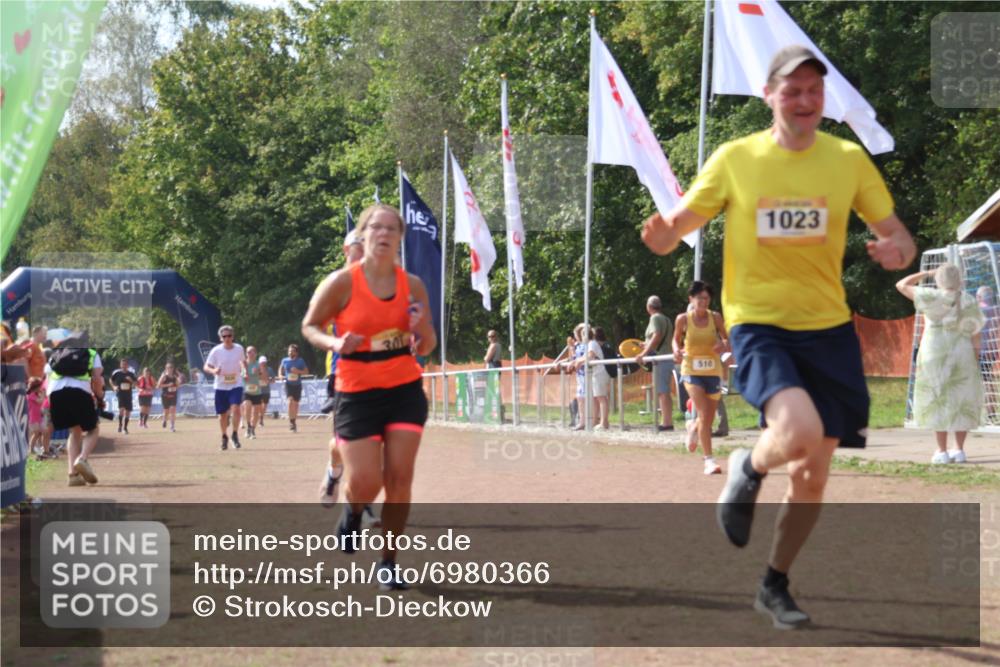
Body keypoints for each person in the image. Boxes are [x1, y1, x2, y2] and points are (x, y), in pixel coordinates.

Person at [641, 45, 916, 628]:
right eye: (791, 90)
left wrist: (897, 251)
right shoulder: (736, 158)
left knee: (814, 473)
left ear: (824, 99)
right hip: (761, 323)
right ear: (769, 96)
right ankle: (748, 466)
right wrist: (663, 236)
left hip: (830, 330)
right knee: (796, 432)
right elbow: (680, 227)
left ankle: (774, 584)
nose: (804, 99)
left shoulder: (847, 160)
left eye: (814, 90)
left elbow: (898, 237)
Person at [301, 203, 436, 590]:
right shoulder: (342, 283)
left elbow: (427, 343)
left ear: (399, 239)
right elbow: (309, 326)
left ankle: (388, 563)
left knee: (399, 478)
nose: (384, 233)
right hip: (357, 390)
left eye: (393, 228)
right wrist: (335, 342)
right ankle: (353, 509)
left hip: (404, 388)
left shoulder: (413, 285)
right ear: (363, 235)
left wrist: (420, 327)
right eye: (376, 227)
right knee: (366, 480)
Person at [896, 265, 985, 463]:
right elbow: (976, 334)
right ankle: (959, 450)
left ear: (939, 279)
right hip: (962, 353)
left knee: (937, 399)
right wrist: (975, 359)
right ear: (960, 279)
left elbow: (901, 284)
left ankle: (941, 451)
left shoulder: (929, 296)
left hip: (933, 353)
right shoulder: (969, 300)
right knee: (962, 399)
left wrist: (927, 273)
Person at [674, 281, 729, 475]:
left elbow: (726, 338)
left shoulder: (715, 317)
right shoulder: (683, 319)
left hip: (713, 371)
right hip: (691, 370)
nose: (703, 302)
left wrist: (722, 345)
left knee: (708, 418)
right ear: (691, 299)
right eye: (699, 298)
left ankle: (692, 427)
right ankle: (709, 460)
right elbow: (675, 340)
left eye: (706, 298)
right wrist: (676, 351)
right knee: (705, 412)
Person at [47, 336, 105, 486]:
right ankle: (82, 459)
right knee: (93, 429)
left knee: (75, 431)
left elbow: (47, 374)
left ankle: (73, 475)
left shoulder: (58, 353)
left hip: (55, 393)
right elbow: (97, 379)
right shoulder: (91, 353)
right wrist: (99, 397)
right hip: (79, 390)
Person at [322, 229, 366, 416]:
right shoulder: (335, 283)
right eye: (358, 248)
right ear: (346, 250)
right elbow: (315, 323)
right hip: (344, 366)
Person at [635, 296, 675, 431]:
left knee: (662, 392)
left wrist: (643, 353)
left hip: (660, 359)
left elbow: (657, 336)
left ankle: (667, 422)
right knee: (664, 391)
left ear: (649, 307)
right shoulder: (667, 319)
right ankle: (667, 420)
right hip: (667, 357)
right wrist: (646, 345)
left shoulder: (655, 318)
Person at [204, 325, 245, 451]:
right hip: (221, 386)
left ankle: (235, 434)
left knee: (236, 408)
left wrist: (244, 370)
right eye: (224, 336)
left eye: (229, 336)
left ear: (233, 336)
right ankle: (224, 436)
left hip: (236, 384)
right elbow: (206, 366)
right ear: (221, 338)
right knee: (222, 415)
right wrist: (214, 370)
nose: (227, 338)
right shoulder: (216, 351)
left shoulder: (239, 349)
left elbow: (242, 361)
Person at [568, 324, 611, 430]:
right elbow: (584, 357)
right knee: (597, 398)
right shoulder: (591, 344)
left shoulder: (592, 343)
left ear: (584, 335)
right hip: (596, 374)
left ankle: (603, 422)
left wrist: (578, 361)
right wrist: (577, 360)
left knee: (601, 398)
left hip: (599, 373)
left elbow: (590, 356)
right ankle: (596, 421)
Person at [977, 285, 998, 423]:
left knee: (983, 382)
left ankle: (987, 413)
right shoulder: (995, 310)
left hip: (979, 350)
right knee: (988, 380)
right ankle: (990, 413)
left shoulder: (978, 309)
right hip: (991, 350)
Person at [278, 344, 309, 432]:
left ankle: (294, 421)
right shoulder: (284, 360)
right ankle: (291, 422)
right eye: (289, 351)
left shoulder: (300, 361)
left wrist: (298, 371)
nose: (290, 352)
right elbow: (280, 369)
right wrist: (280, 375)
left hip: (297, 385)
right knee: (290, 402)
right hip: (288, 384)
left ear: (296, 352)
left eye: (292, 351)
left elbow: (306, 372)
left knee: (295, 404)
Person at [241, 346, 267, 439]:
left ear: (256, 354)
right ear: (246, 354)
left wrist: (260, 372)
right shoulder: (243, 363)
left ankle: (252, 429)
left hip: (257, 391)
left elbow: (264, 378)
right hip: (246, 390)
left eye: (252, 352)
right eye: (248, 352)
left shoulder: (258, 364)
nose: (250, 354)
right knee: (247, 405)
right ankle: (248, 426)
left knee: (256, 412)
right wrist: (245, 374)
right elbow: (243, 375)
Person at [111, 358, 137, 434]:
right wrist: (114, 387)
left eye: (125, 364)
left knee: (128, 411)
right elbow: (111, 380)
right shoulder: (117, 373)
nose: (124, 366)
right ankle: (120, 425)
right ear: (120, 365)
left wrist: (131, 381)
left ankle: (125, 428)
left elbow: (135, 384)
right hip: (120, 394)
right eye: (122, 364)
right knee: (121, 409)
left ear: (127, 365)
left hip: (128, 394)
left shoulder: (131, 374)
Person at [158, 362, 181, 432]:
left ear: (173, 369)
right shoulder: (164, 376)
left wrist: (177, 384)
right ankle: (164, 419)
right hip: (165, 395)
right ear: (166, 369)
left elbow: (178, 386)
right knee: (166, 411)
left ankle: (172, 426)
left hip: (173, 395)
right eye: (168, 368)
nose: (169, 369)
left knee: (172, 410)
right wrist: (167, 385)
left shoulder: (174, 377)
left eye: (171, 368)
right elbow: (158, 385)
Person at [27, 377, 47, 458]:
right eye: (40, 387)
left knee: (42, 432)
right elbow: (40, 401)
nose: (41, 388)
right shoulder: (30, 395)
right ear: (36, 387)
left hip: (38, 417)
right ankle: (30, 449)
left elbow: (41, 403)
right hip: (33, 417)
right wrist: (44, 394)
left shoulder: (36, 394)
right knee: (36, 433)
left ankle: (40, 447)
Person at [258, 355, 272, 428]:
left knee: (265, 405)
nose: (263, 363)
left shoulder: (269, 369)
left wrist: (268, 380)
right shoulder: (256, 369)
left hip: (266, 391)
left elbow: (273, 380)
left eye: (264, 362)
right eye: (261, 362)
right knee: (259, 405)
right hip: (258, 391)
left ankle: (261, 417)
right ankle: (260, 418)